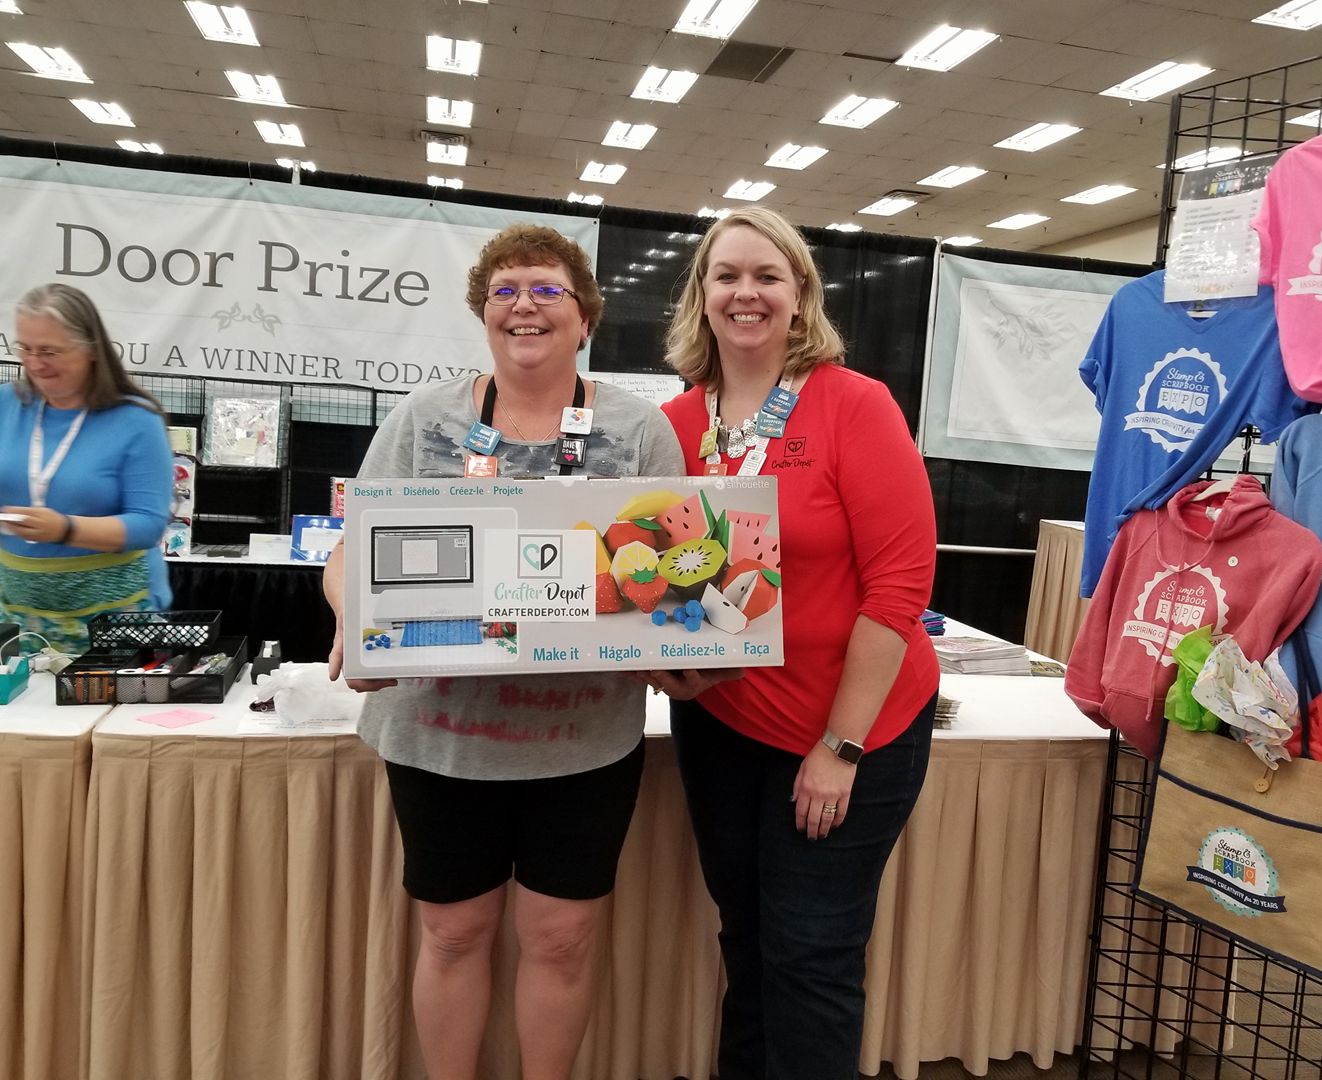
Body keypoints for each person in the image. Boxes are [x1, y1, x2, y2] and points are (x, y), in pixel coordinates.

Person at [322, 224, 684, 1080]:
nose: (525, 306)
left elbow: (675, 575)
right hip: (440, 734)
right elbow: (351, 551)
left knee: (562, 938)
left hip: (584, 742)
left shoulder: (639, 430)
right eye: (505, 291)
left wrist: (680, 646)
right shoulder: (425, 418)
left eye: (547, 290)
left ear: (585, 316)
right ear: (483, 313)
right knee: (453, 931)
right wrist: (349, 621)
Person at [652, 207, 939, 1080]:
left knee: (810, 957)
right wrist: (672, 670)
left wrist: (840, 748)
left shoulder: (855, 405)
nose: (747, 293)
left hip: (851, 731)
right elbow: (663, 584)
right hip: (724, 724)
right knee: (747, 943)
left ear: (800, 294)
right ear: (702, 295)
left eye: (767, 276)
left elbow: (900, 587)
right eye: (727, 275)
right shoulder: (673, 424)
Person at [0, 283, 172, 655]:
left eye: (49, 351)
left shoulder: (137, 420)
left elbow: (148, 524)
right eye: (25, 349)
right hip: (22, 615)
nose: (35, 364)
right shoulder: (2, 405)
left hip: (116, 617)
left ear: (91, 349)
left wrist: (66, 530)